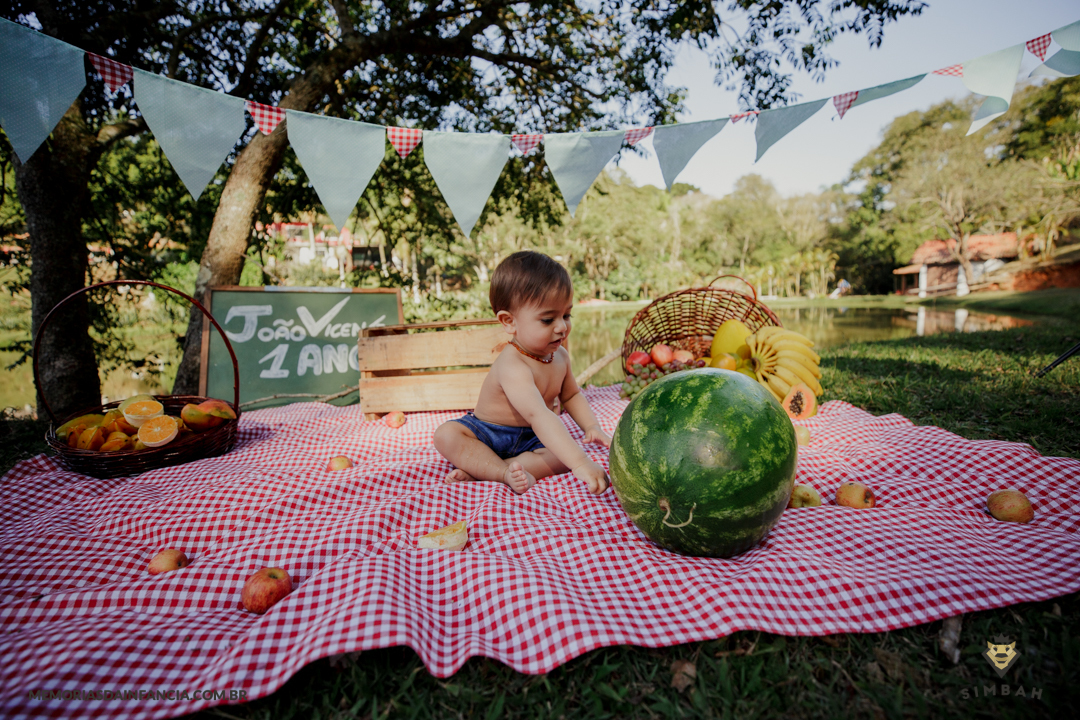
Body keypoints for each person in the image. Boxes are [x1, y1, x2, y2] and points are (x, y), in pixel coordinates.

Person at [433, 251, 611, 495]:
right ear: (509, 321)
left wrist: (591, 426)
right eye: (548, 320)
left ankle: (486, 470)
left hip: (532, 438)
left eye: (567, 315)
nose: (562, 327)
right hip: (488, 433)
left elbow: (571, 396)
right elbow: (538, 414)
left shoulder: (561, 357)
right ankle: (501, 472)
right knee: (446, 435)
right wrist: (581, 463)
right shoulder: (513, 364)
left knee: (562, 455)